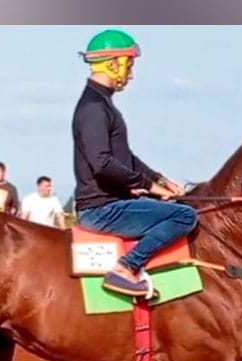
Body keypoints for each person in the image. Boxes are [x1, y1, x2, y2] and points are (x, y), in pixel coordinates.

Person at [71, 29, 198, 298]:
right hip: (102, 210)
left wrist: (160, 180)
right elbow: (102, 163)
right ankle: (125, 269)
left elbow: (126, 158)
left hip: (107, 205)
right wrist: (150, 187)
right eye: (129, 65)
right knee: (185, 216)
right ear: (112, 63)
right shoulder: (94, 109)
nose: (131, 74)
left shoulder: (102, 104)